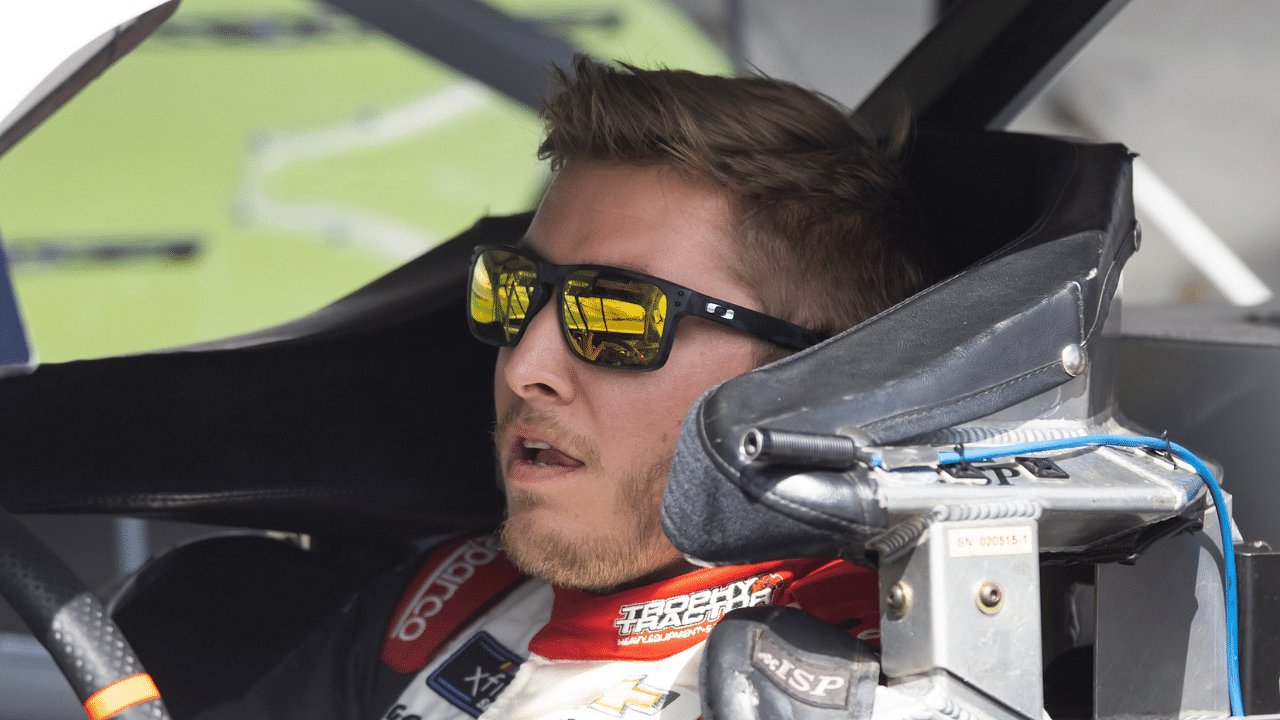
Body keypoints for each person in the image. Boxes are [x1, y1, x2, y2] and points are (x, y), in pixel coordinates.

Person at [196, 56, 933, 719]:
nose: (525, 366)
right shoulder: (446, 604)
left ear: (816, 376)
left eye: (615, 316)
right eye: (516, 293)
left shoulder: (865, 677)